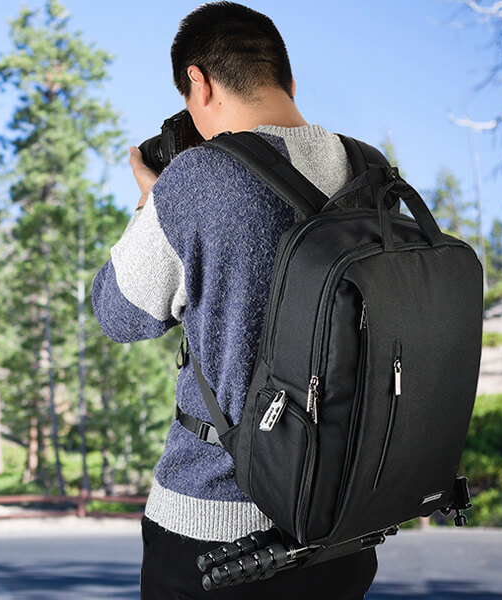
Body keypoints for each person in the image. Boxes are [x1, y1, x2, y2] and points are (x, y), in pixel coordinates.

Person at [90, 2, 378, 598]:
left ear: (198, 81)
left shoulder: (196, 179)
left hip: (214, 526)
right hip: (344, 520)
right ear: (288, 81)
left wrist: (151, 203)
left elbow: (118, 314)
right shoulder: (371, 171)